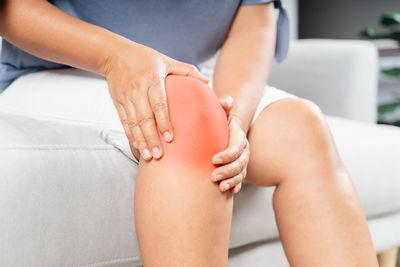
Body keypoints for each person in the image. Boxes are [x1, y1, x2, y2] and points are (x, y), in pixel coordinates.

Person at [0, 0, 379, 266]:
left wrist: (235, 116)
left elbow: (253, 20)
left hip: (185, 76)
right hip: (56, 69)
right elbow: (15, 9)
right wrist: (115, 58)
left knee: (300, 126)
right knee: (188, 115)